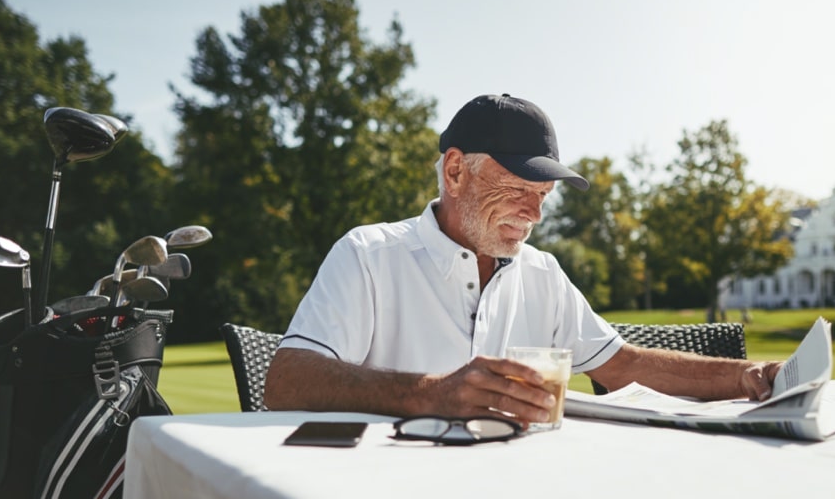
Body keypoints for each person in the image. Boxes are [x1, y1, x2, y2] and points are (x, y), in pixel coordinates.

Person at [264, 93, 783, 426]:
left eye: (544, 195)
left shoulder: (542, 273)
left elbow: (623, 365)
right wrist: (431, 394)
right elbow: (287, 380)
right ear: (455, 172)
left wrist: (747, 376)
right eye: (516, 188)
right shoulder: (368, 256)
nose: (533, 212)